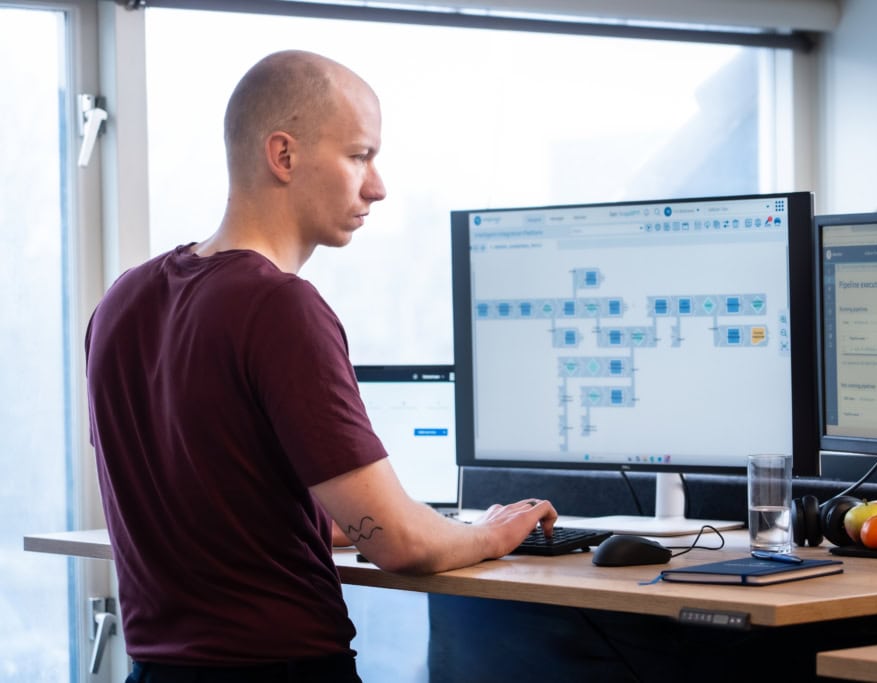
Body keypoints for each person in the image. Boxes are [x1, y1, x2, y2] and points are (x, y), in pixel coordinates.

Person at [85, 49, 557, 683]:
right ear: (283, 155)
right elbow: (399, 543)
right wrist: (492, 534)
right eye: (360, 155)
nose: (378, 186)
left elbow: (209, 500)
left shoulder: (122, 299)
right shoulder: (279, 306)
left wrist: (334, 525)